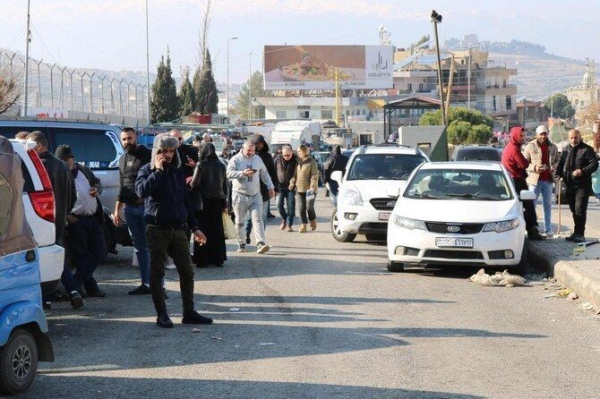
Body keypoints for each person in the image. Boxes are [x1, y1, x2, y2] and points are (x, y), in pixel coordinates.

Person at [135, 133, 212, 328]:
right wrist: (158, 172)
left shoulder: (178, 172)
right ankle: (162, 314)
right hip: (156, 228)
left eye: (171, 151)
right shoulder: (147, 170)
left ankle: (189, 312)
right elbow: (141, 192)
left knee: (187, 271)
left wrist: (195, 228)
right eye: (164, 151)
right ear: (156, 152)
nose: (168, 155)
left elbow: (185, 201)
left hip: (178, 229)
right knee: (157, 271)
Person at [27, 132, 81, 309]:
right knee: (55, 257)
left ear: (40, 146)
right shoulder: (62, 166)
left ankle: (47, 298)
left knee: (42, 258)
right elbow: (73, 195)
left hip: (42, 219)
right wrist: (65, 213)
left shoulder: (37, 166)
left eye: (30, 145)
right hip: (58, 220)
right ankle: (71, 290)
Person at [55, 144, 108, 298]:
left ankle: (77, 283)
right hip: (76, 220)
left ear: (72, 158)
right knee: (81, 255)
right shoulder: (60, 175)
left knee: (100, 251)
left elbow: (97, 182)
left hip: (92, 217)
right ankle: (91, 287)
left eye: (68, 158)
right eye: (63, 160)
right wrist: (66, 216)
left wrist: (96, 189)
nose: (67, 162)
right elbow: (55, 200)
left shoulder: (83, 170)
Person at [113, 127, 153, 295]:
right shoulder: (122, 159)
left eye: (129, 138)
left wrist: (147, 197)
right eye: (124, 139)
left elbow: (155, 179)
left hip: (146, 208)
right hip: (130, 209)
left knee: (152, 246)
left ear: (136, 137)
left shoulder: (148, 155)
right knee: (139, 248)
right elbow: (122, 186)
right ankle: (146, 283)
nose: (127, 142)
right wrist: (117, 210)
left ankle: (158, 284)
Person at [227, 140, 275, 253]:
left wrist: (271, 187)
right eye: (249, 150)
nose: (251, 152)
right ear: (243, 149)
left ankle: (260, 243)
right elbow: (228, 173)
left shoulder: (257, 159)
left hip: (255, 195)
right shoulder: (235, 159)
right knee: (239, 221)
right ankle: (241, 243)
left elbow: (264, 174)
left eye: (253, 150)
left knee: (258, 219)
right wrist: (242, 173)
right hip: (240, 195)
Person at [501, 126, 544, 240]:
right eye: (521, 135)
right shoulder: (514, 149)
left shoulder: (510, 147)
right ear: (515, 136)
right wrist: (533, 167)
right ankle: (532, 231)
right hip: (516, 181)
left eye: (524, 135)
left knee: (524, 207)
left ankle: (530, 230)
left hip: (511, 181)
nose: (523, 138)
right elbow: (524, 164)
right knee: (528, 206)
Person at [556, 129, 599, 242]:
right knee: (573, 210)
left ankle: (580, 234)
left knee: (580, 209)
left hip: (582, 185)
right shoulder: (566, 150)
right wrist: (557, 175)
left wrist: (583, 171)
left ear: (580, 137)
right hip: (569, 184)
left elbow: (594, 164)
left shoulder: (586, 149)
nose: (574, 140)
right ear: (568, 138)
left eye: (576, 137)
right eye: (572, 138)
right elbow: (561, 164)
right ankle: (576, 232)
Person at [190, 142, 228, 267]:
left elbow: (194, 184)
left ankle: (202, 259)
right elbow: (225, 186)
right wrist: (225, 203)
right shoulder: (221, 165)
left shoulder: (201, 164)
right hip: (218, 201)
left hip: (203, 201)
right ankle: (218, 258)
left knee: (203, 229)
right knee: (217, 230)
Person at [524, 125, 559, 237]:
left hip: (548, 179)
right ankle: (532, 228)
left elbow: (557, 160)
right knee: (531, 205)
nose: (543, 136)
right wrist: (535, 168)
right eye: (541, 134)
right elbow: (524, 163)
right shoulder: (530, 146)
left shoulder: (553, 147)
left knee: (547, 205)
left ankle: (548, 229)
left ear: (547, 133)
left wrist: (554, 166)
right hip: (534, 180)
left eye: (545, 133)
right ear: (537, 135)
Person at [244, 135, 278, 243]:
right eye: (256, 144)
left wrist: (275, 188)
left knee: (263, 217)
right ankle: (246, 235)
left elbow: (272, 173)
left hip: (264, 190)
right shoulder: (247, 156)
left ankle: (261, 240)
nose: (259, 146)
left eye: (260, 143)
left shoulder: (267, 156)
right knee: (250, 217)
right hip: (250, 190)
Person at [290, 144, 319, 233]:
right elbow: (294, 175)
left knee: (309, 207)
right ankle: (303, 225)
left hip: (310, 189)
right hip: (299, 189)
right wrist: (292, 183)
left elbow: (314, 175)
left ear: (305, 151)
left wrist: (312, 187)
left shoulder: (311, 162)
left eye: (300, 151)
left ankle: (313, 219)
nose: (298, 153)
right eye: (297, 151)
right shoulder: (298, 163)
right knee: (302, 208)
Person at [274, 145, 298, 232]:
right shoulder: (277, 159)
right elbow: (272, 171)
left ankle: (289, 224)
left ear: (292, 152)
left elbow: (298, 174)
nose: (286, 157)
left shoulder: (296, 160)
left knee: (290, 206)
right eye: (285, 155)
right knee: (278, 205)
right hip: (279, 187)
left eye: (288, 155)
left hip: (290, 187)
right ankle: (284, 219)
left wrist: (294, 183)